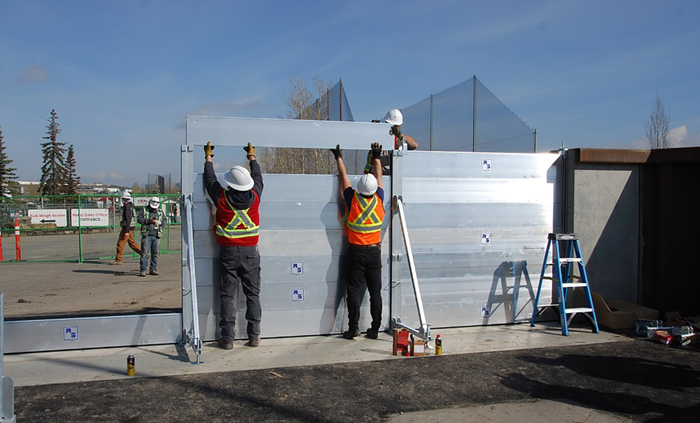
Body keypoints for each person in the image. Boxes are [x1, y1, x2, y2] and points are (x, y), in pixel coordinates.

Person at [204, 141, 264, 350]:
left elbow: (210, 180)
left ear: (230, 184)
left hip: (228, 254)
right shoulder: (255, 196)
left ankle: (227, 339)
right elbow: (258, 177)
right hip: (250, 255)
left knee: (228, 297)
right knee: (253, 295)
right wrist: (252, 157)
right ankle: (254, 337)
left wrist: (209, 158)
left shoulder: (221, 198)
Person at [330, 142, 385, 340]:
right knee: (375, 293)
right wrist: (377, 157)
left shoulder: (352, 198)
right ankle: (375, 329)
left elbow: (343, 179)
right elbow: (379, 177)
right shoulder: (379, 198)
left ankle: (353, 328)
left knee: (352, 289)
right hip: (374, 252)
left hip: (356, 252)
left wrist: (338, 157)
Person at [369, 109, 418, 175]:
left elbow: (414, 145)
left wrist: (399, 135)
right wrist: (374, 129)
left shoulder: (399, 139)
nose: (392, 128)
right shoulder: (378, 137)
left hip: (394, 177)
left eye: (396, 126)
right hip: (377, 177)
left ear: (399, 126)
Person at [137, 196, 166, 277]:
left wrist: (159, 222)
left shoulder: (160, 211)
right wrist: (148, 221)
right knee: (144, 253)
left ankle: (153, 269)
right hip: (147, 235)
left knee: (155, 253)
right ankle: (143, 270)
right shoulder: (144, 210)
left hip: (156, 235)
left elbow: (165, 221)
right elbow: (139, 219)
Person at [110, 191, 141, 265]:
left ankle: (118, 260)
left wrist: (126, 231)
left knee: (120, 244)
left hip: (127, 228)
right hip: (131, 227)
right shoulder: (132, 206)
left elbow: (128, 219)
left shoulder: (127, 207)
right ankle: (144, 253)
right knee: (132, 243)